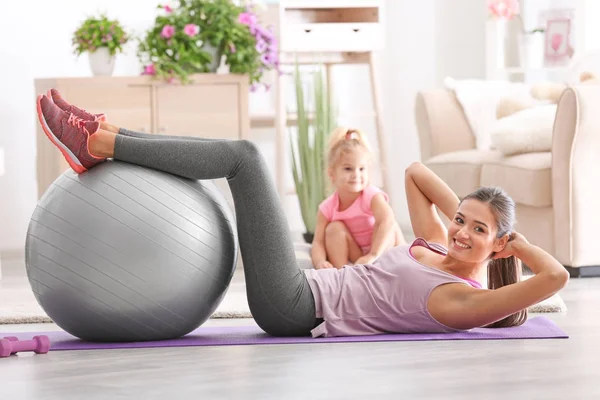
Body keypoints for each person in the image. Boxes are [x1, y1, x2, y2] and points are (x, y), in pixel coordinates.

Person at [36, 90, 569, 339]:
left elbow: (555, 276)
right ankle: (104, 137)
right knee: (242, 156)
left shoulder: (464, 302)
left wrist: (506, 241)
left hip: (296, 307)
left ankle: (99, 142)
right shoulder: (435, 244)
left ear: (500, 247)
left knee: (244, 158)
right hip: (302, 287)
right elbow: (413, 173)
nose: (460, 231)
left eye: (479, 231)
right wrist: (470, 227)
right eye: (460, 220)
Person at [310, 127, 405, 270]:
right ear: (331, 173)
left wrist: (373, 254)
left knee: (388, 221)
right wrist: (320, 262)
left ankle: (400, 261)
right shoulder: (327, 207)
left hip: (383, 250)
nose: (356, 175)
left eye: (361, 169)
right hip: (358, 256)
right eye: (348, 169)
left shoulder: (371, 196)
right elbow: (318, 242)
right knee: (333, 229)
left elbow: (387, 221)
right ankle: (342, 274)